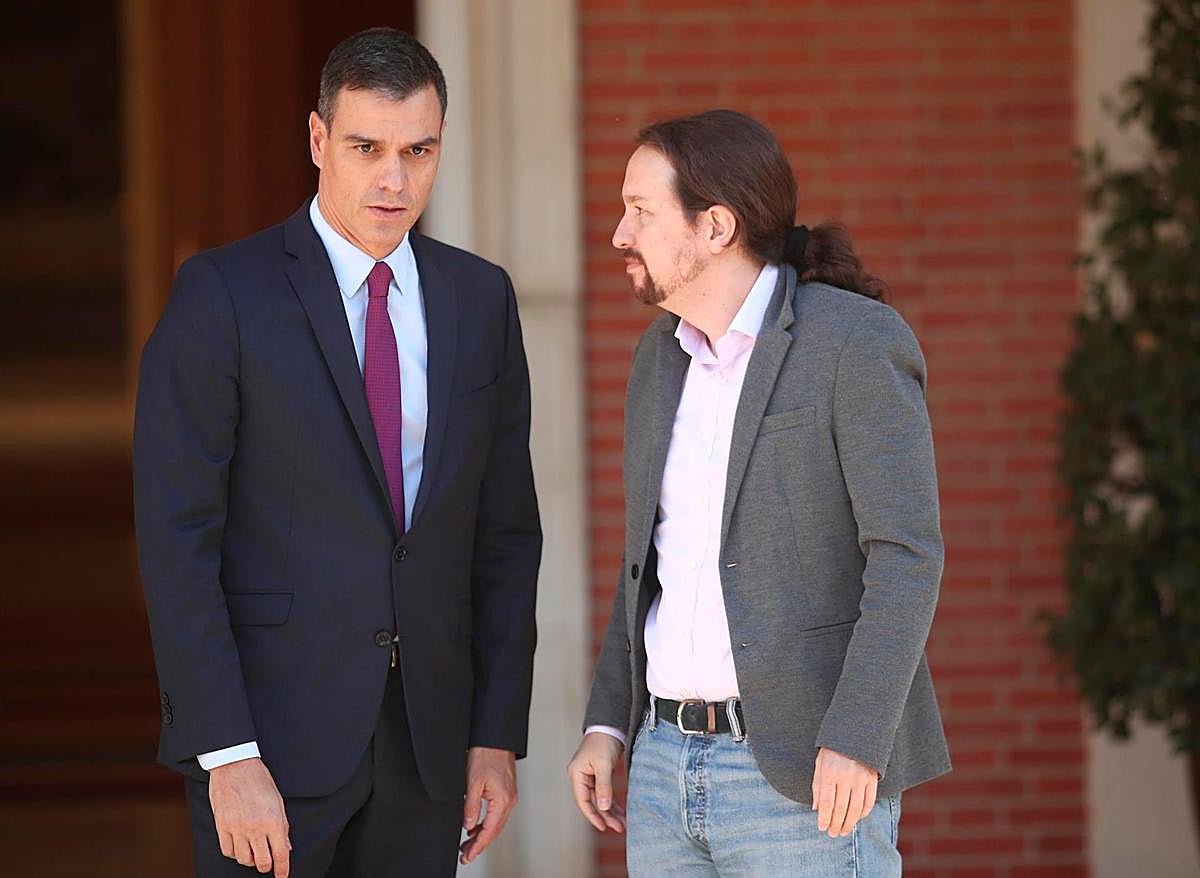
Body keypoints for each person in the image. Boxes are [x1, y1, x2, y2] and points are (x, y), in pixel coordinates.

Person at [134, 27, 541, 878]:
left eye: (418, 150)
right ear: (318, 140)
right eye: (367, 148)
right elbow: (178, 539)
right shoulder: (224, 295)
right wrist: (225, 752)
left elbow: (505, 535)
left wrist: (495, 733)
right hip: (269, 749)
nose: (395, 179)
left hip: (427, 750)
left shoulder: (481, 299)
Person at [567, 109, 950, 877]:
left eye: (641, 212)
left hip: (806, 776)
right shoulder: (657, 358)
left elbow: (907, 558)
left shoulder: (856, 342)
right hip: (661, 769)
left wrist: (857, 736)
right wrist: (608, 722)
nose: (619, 234)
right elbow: (646, 562)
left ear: (715, 226)